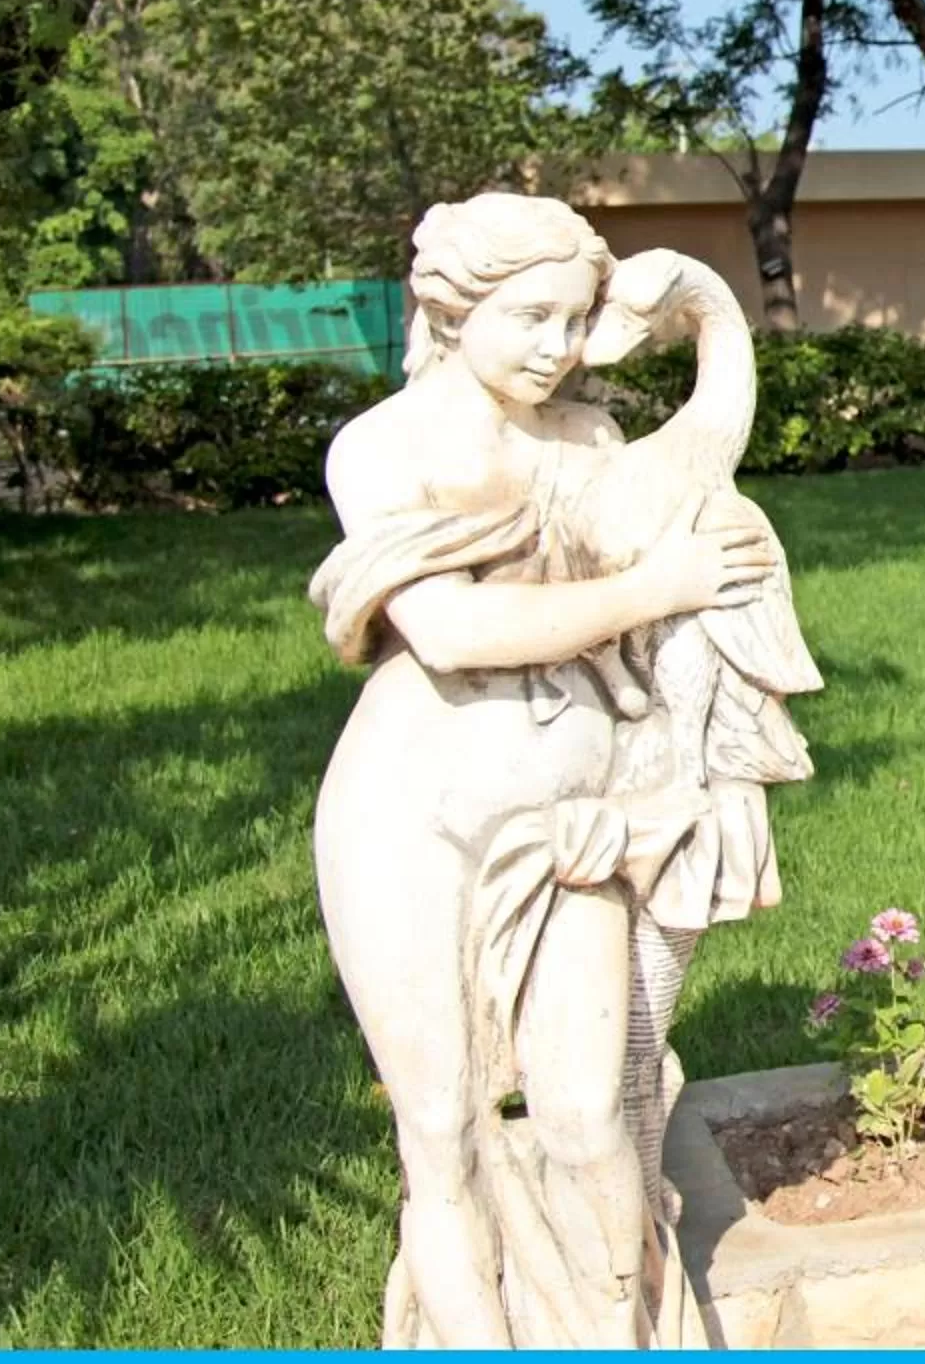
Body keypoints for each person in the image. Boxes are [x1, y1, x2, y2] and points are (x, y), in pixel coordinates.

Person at [309, 194, 776, 1347]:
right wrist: (652, 587)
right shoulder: (380, 447)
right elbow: (452, 630)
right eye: (529, 316)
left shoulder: (590, 440)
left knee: (585, 1112)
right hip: (412, 817)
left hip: (576, 813)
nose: (556, 347)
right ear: (451, 306)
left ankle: (624, 1329)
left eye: (574, 321)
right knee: (445, 1124)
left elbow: (689, 543)